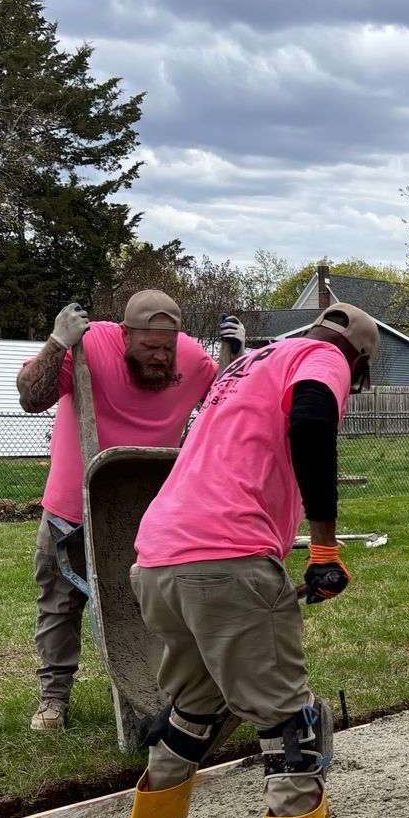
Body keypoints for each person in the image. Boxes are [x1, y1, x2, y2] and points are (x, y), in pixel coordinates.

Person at [118, 302, 398, 818]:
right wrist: (323, 549)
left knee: (191, 714)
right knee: (290, 731)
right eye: (358, 381)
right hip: (229, 561)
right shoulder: (322, 359)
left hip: (158, 559)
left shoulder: (246, 366)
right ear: (356, 360)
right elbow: (310, 421)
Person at [16, 292, 241, 731]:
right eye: (149, 347)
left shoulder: (191, 359)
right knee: (60, 604)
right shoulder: (89, 343)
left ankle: (149, 696)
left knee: (148, 608)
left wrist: (234, 357)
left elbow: (224, 412)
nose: (160, 357)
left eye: (167, 347)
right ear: (125, 335)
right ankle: (53, 701)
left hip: (148, 515)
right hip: (73, 507)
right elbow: (31, 397)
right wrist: (57, 342)